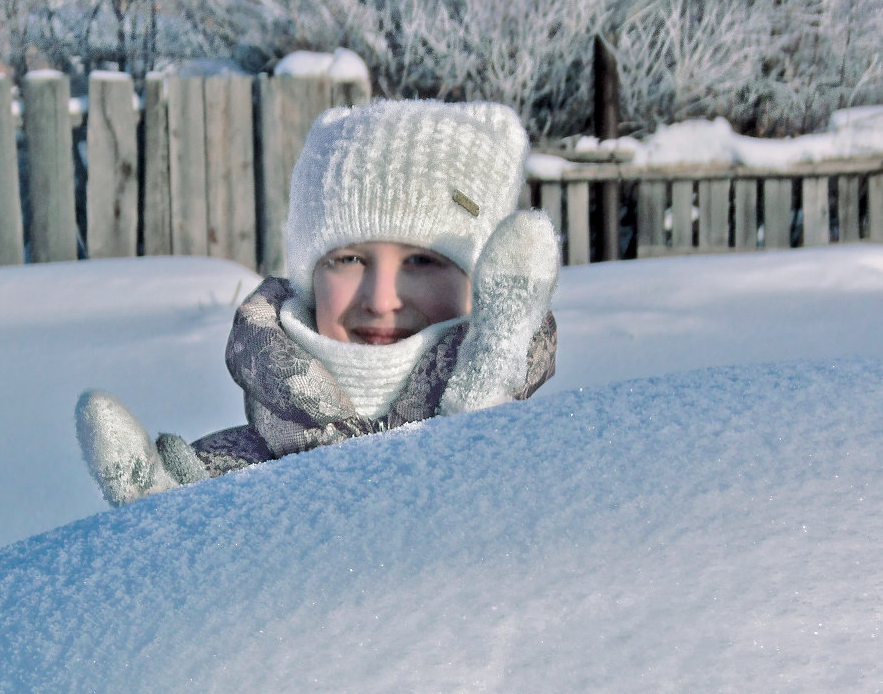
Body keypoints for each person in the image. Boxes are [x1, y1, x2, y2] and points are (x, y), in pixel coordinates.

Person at [76, 99, 560, 507]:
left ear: (483, 283)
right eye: (349, 258)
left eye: (422, 261)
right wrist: (166, 535)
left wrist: (479, 432)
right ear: (309, 277)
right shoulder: (216, 483)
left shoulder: (550, 465)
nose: (381, 299)